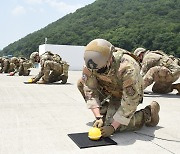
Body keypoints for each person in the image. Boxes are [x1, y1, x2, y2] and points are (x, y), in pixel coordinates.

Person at [77, 39, 160, 137]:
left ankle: (148, 113)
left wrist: (112, 127)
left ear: (110, 59)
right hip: (109, 89)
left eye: (102, 69)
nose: (98, 72)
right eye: (95, 70)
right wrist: (98, 117)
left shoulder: (127, 67)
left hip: (127, 95)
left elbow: (131, 101)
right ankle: (105, 113)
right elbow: (90, 90)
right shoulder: (91, 64)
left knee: (113, 124)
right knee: (81, 83)